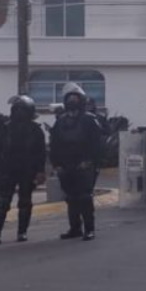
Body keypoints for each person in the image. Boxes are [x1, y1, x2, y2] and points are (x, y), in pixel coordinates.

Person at [49, 84, 104, 241]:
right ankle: (75, 227)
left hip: (84, 164)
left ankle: (89, 229)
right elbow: (54, 144)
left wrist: (91, 162)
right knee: (71, 198)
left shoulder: (89, 120)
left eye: (75, 98)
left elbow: (97, 145)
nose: (72, 101)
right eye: (69, 98)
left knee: (85, 197)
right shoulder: (61, 121)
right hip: (66, 165)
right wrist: (56, 164)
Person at [0, 96, 46, 244]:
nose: (20, 113)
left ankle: (22, 232)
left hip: (27, 169)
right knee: (3, 202)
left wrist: (40, 171)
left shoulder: (35, 130)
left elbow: (41, 152)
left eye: (23, 110)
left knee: (25, 202)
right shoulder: (5, 128)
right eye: (17, 109)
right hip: (7, 169)